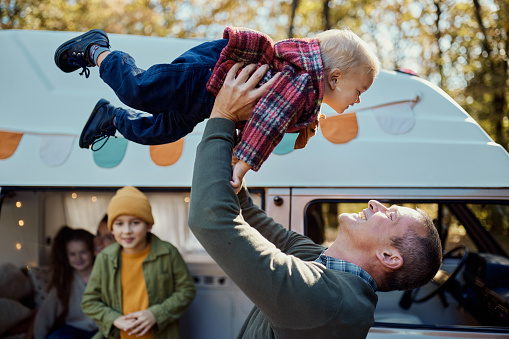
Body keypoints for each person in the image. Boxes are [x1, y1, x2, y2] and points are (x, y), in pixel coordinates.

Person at [187, 63, 443, 338]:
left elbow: (212, 219)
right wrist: (239, 149)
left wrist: (223, 115)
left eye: (389, 215)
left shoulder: (328, 302)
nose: (373, 203)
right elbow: (247, 213)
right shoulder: (321, 261)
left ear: (389, 256)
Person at [54, 26, 379, 192]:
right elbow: (267, 123)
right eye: (359, 90)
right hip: (209, 73)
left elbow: (253, 121)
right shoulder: (301, 82)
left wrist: (234, 151)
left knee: (161, 132)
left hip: (209, 103)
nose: (359, 99)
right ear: (334, 78)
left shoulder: (306, 97)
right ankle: (97, 49)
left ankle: (111, 118)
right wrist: (240, 168)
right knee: (139, 91)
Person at [81, 186, 196, 339]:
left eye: (135, 223)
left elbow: (187, 290)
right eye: (119, 224)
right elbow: (89, 302)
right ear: (112, 229)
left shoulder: (168, 253)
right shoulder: (104, 258)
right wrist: (114, 319)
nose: (127, 231)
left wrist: (155, 314)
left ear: (149, 225)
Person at [33, 226, 98, 339]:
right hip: (75, 329)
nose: (78, 258)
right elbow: (46, 314)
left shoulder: (105, 275)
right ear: (66, 256)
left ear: (92, 251)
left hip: (103, 329)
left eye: (83, 252)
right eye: (72, 254)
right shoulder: (66, 280)